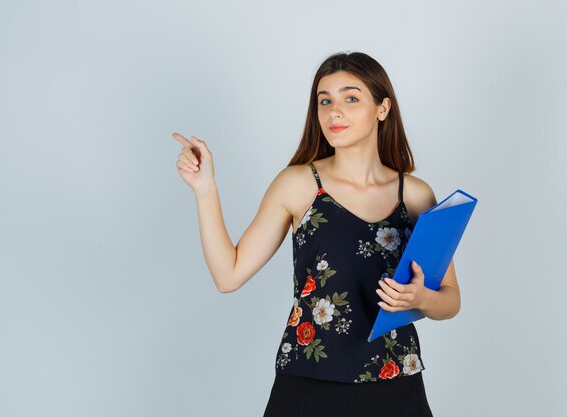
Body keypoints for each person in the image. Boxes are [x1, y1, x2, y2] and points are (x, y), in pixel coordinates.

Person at [172, 51, 461, 417]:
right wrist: (205, 189)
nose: (333, 111)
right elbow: (228, 275)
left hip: (396, 384)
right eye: (325, 101)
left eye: (351, 98)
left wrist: (421, 297)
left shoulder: (416, 196)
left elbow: (450, 300)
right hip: (310, 384)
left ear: (382, 108)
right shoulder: (298, 185)